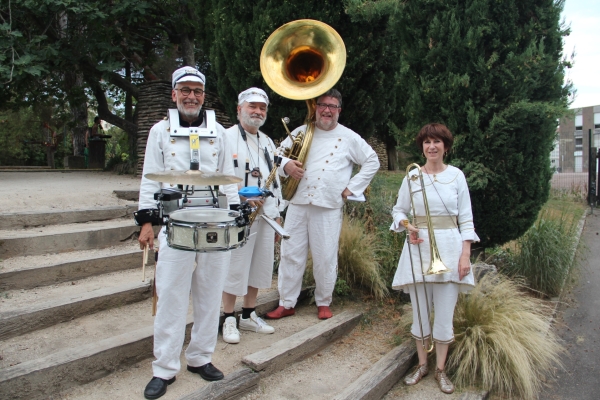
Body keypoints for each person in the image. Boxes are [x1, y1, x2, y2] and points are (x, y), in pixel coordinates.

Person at [136, 66, 240, 400]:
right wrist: (147, 222)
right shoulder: (159, 131)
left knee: (210, 294)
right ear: (174, 94)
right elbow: (150, 178)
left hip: (212, 221)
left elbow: (228, 176)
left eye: (197, 91)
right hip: (174, 220)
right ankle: (164, 368)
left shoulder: (220, 133)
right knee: (171, 295)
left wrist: (235, 215)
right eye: (185, 90)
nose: (191, 96)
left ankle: (199, 357)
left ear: (204, 95)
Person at [265, 88, 380, 321]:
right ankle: (287, 302)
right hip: (297, 202)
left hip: (328, 205)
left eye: (332, 106)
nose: (327, 110)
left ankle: (324, 301)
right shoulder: (302, 131)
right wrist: (286, 163)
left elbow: (372, 161)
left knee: (325, 256)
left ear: (339, 110)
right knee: (290, 254)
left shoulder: (349, 137)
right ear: (315, 108)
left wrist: (352, 188)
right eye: (322, 105)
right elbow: (274, 153)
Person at [389, 123, 479, 394]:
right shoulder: (412, 177)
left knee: (444, 315)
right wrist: (406, 224)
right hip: (418, 250)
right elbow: (398, 210)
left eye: (436, 142)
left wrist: (465, 255)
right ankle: (422, 364)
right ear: (422, 147)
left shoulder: (457, 176)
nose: (431, 146)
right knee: (419, 314)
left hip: (450, 251)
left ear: (445, 146)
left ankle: (440, 370)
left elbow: (465, 218)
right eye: (427, 142)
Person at [221, 87, 283, 344]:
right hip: (238, 213)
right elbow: (220, 178)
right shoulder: (225, 138)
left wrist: (278, 213)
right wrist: (240, 196)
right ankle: (227, 318)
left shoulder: (268, 141)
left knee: (260, 266)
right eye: (252, 107)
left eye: (262, 108)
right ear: (239, 109)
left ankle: (247, 314)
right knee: (234, 266)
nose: (258, 112)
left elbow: (274, 179)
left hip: (265, 214)